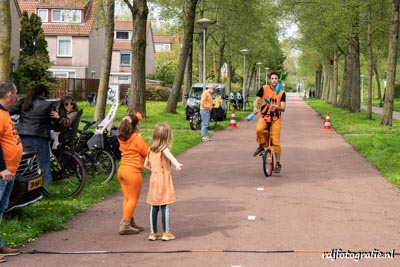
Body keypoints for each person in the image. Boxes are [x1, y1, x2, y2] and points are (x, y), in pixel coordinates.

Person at [144, 123, 183, 241]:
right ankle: (166, 232)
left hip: (154, 178)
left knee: (154, 205)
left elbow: (145, 165)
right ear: (167, 136)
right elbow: (170, 157)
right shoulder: (164, 148)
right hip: (164, 178)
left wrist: (154, 171)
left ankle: (153, 232)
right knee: (165, 204)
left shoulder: (150, 149)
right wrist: (177, 165)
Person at [10, 84, 54, 185]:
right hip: (40, 137)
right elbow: (53, 120)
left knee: (25, 163)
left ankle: (25, 185)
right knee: (43, 162)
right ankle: (45, 184)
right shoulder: (47, 105)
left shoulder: (23, 102)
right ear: (43, 94)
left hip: (23, 136)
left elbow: (9, 111)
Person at [0, 81, 23, 262]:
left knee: (1, 209)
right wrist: (2, 169)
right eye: (15, 93)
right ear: (9, 94)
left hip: (10, 171)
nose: (16, 96)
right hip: (3, 172)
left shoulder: (5, 113)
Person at [117, 112, 149, 235]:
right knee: (133, 199)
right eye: (139, 123)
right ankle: (125, 225)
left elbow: (131, 142)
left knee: (127, 198)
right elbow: (146, 153)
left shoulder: (121, 137)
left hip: (122, 171)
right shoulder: (138, 138)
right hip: (133, 172)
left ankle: (129, 221)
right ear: (135, 126)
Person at [252, 71, 286, 172]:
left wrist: (277, 107)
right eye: (272, 78)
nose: (274, 80)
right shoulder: (264, 88)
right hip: (264, 116)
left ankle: (278, 163)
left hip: (276, 119)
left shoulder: (281, 93)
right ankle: (261, 146)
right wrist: (254, 107)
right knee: (259, 130)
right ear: (269, 80)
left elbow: (283, 108)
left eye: (276, 78)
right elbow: (257, 100)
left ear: (278, 80)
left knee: (275, 141)